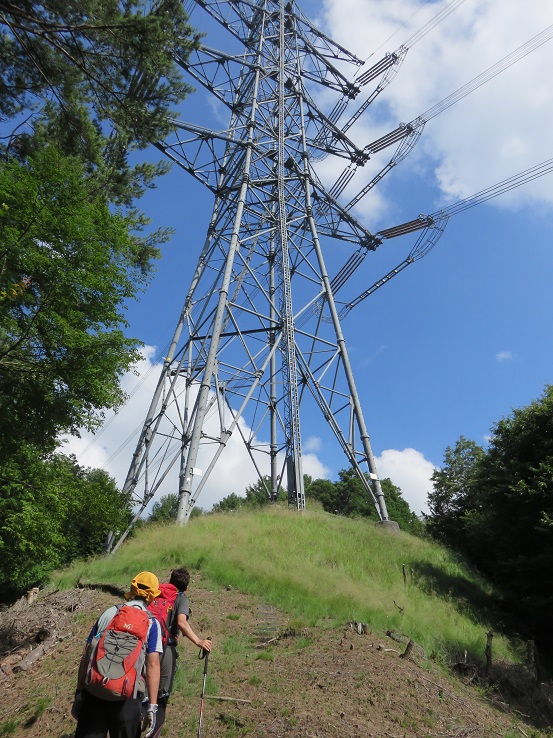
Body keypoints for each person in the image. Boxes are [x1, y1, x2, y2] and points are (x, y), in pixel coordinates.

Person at [73, 571, 164, 738]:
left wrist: (80, 691)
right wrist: (152, 706)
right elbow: (153, 665)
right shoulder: (152, 623)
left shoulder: (110, 613)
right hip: (127, 699)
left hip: (95, 692)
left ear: (132, 589)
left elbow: (87, 653)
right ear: (152, 596)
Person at [152, 567, 212, 738]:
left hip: (145, 648)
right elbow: (181, 623)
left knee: (143, 695)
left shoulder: (156, 594)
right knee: (161, 698)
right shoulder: (181, 599)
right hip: (165, 650)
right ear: (186, 586)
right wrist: (199, 641)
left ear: (171, 580)